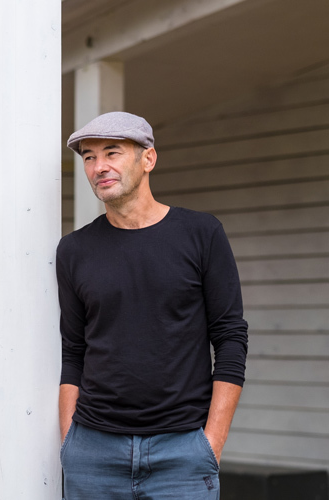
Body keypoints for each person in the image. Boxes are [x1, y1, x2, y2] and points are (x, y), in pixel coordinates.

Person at [57, 112, 248, 499]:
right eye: (89, 157)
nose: (99, 166)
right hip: (93, 452)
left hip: (182, 453)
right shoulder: (74, 250)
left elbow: (230, 338)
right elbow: (73, 350)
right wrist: (69, 444)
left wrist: (212, 442)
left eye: (112, 152)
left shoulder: (201, 234)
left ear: (148, 159)